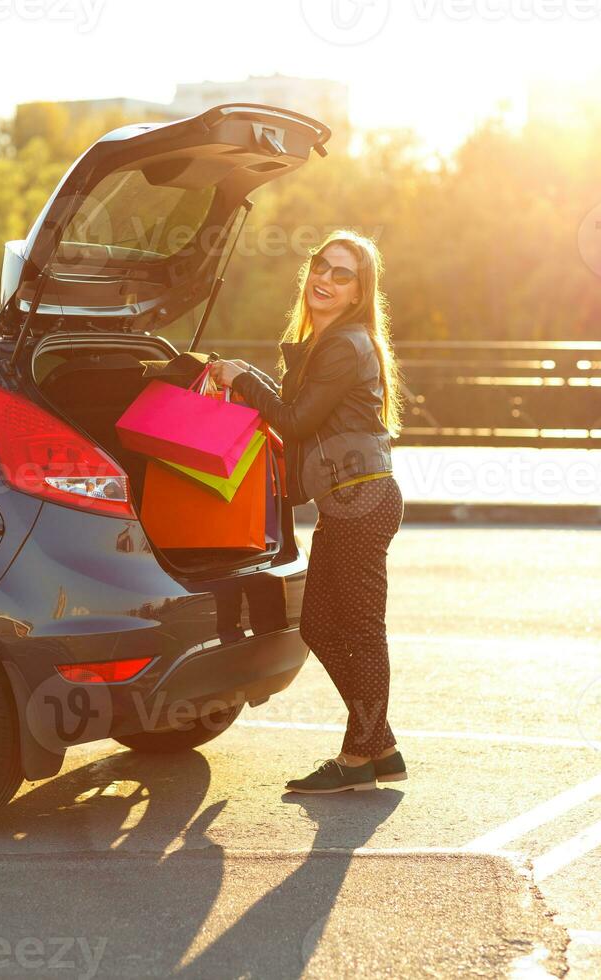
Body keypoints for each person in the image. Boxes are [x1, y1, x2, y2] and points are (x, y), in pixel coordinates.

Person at [209, 228, 407, 795]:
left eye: (342, 273)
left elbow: (293, 423)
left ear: (357, 292)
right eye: (321, 265)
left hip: (361, 500)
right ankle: (381, 747)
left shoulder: (344, 344)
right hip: (351, 499)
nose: (325, 278)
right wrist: (251, 377)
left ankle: (358, 756)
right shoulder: (331, 344)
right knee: (322, 625)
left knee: (360, 633)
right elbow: (300, 411)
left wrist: (242, 379)